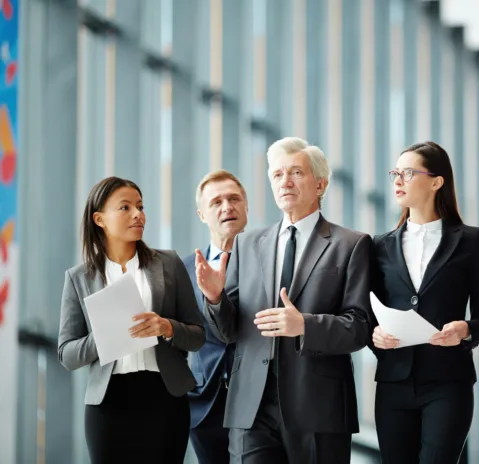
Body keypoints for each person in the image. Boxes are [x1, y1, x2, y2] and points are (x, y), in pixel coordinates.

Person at [195, 137, 372, 464]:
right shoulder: (248, 244)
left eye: (296, 173)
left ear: (320, 184)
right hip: (252, 408)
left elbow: (359, 327)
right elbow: (229, 331)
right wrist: (216, 298)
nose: (285, 182)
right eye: (277, 175)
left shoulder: (351, 244)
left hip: (318, 407)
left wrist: (304, 325)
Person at [57, 176, 205, 463]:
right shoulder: (78, 278)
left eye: (140, 206)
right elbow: (67, 354)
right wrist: (106, 334)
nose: (138, 214)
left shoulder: (169, 263)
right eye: (125, 207)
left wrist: (168, 327)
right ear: (99, 219)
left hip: (164, 397)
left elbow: (198, 335)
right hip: (109, 403)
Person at [370, 141, 479, 464]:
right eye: (395, 173)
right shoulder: (379, 246)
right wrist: (375, 336)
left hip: (448, 383)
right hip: (393, 384)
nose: (398, 180)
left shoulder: (470, 240)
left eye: (408, 173)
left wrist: (465, 329)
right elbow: (368, 315)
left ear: (436, 181)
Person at [183, 170, 249, 464]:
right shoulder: (183, 270)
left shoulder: (271, 261)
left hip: (259, 401)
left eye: (234, 199)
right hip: (204, 403)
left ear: (246, 205)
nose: (227, 207)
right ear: (202, 214)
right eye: (217, 201)